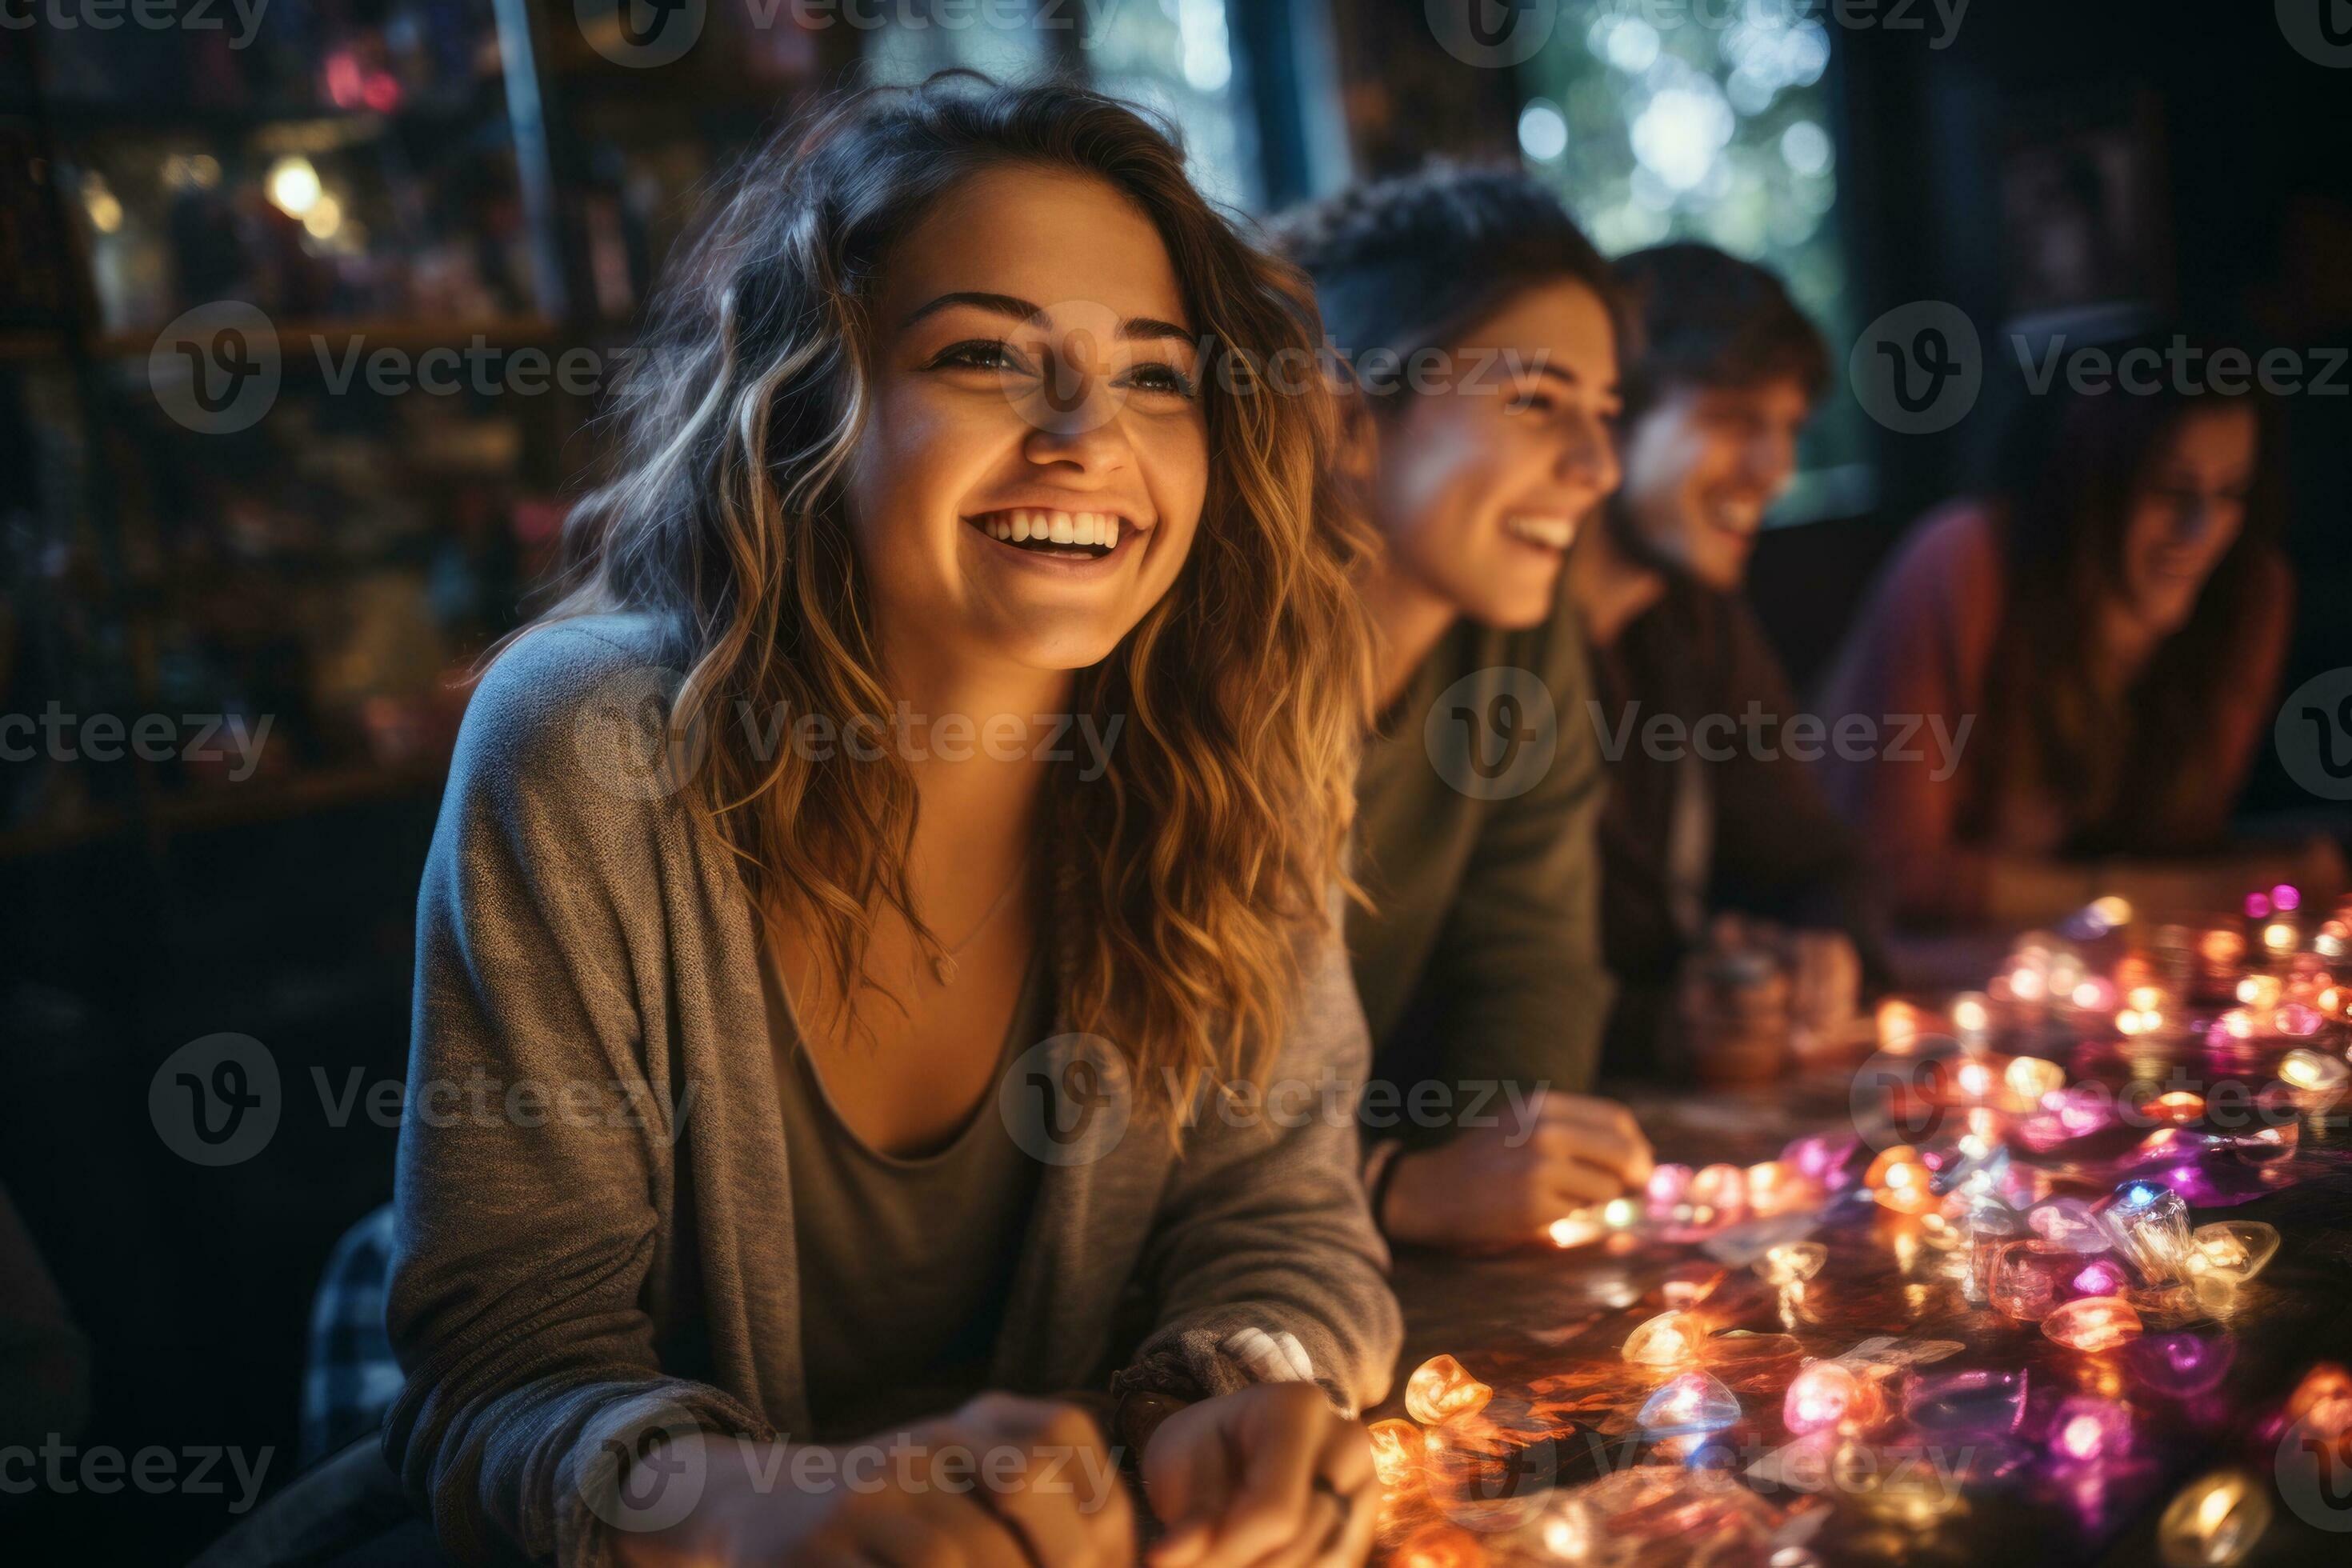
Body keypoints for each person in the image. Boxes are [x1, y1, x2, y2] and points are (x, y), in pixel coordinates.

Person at [383, 78, 1399, 1568]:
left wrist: (1229, 1389)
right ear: (809, 406)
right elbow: (500, 1375)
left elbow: (1284, 1219)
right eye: (986, 354)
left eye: (1154, 375)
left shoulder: (1233, 733)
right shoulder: (587, 747)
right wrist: (751, 1508)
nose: (1084, 433)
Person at [1274, 167, 1654, 1253]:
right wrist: (1402, 1190)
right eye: (1534, 401)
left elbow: (1531, 950)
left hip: (1340, 1261)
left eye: (1606, 415)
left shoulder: (1515, 629)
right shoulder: (1199, 654)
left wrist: (1518, 1160)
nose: (1596, 468)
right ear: (1347, 413)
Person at [1818, 326, 2345, 927]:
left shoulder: (2249, 593)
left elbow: (2184, 842)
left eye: (2231, 493)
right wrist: (2186, 890)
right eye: (2172, 489)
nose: (2202, 531)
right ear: (2089, 489)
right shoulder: (1964, 565)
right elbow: (1893, 877)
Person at [1562, 243, 1881, 1078]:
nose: (1775, 469)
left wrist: (1821, 951)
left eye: (1788, 431)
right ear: (1612, 415)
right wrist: (1656, 1028)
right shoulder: (1491, 639)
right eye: (1735, 420)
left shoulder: (1696, 620)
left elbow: (1812, 859)